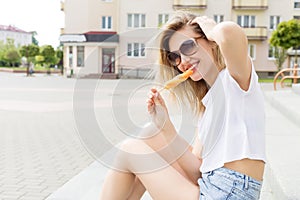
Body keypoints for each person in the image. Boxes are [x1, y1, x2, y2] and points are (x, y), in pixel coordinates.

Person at [100, 11, 265, 200]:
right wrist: (165, 125)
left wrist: (210, 29)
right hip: (211, 189)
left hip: (229, 193)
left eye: (188, 46)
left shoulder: (235, 80)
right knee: (150, 134)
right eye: (174, 57)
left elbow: (230, 34)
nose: (183, 62)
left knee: (129, 150)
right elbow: (197, 173)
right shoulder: (207, 106)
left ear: (210, 42)